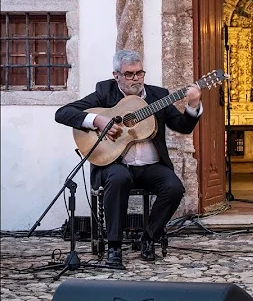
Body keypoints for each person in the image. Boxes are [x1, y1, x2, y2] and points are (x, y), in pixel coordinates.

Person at [55, 49, 202, 267]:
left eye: (139, 73)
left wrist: (193, 104)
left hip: (150, 166)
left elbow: (181, 126)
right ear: (117, 76)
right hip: (114, 164)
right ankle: (114, 246)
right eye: (129, 74)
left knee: (174, 188)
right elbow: (63, 113)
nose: (136, 79)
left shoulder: (158, 96)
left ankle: (149, 237)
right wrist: (98, 121)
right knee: (119, 178)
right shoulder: (104, 93)